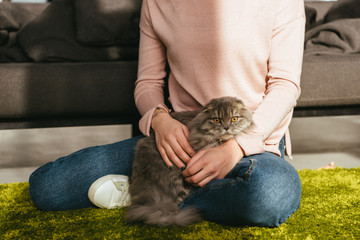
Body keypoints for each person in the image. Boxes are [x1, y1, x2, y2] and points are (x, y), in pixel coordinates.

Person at [29, 0, 305, 227]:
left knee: (270, 195)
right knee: (48, 188)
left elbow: (285, 86)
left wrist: (236, 148)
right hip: (180, 137)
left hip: (251, 141)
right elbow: (148, 82)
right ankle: (157, 191)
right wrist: (160, 120)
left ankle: (148, 197)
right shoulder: (157, 2)